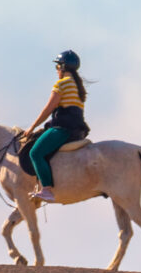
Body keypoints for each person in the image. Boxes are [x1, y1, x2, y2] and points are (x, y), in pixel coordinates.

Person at [22, 50, 90, 204]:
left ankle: (47, 189)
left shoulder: (61, 84)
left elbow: (48, 109)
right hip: (77, 129)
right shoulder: (78, 86)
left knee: (35, 153)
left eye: (57, 67)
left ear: (63, 67)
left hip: (63, 129)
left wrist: (32, 127)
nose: (57, 70)